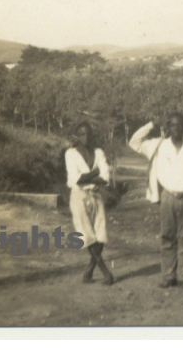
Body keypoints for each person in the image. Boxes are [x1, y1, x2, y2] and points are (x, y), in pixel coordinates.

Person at [129, 113, 183, 289]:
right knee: (167, 238)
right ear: (168, 127)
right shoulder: (158, 145)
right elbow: (134, 142)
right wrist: (151, 124)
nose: (176, 129)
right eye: (173, 125)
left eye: (179, 125)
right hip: (168, 197)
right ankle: (169, 276)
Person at [65, 121, 114, 285]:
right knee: (87, 234)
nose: (86, 137)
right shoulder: (70, 154)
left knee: (100, 234)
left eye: (89, 134)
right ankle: (106, 272)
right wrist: (95, 173)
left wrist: (90, 177)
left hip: (96, 195)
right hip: (79, 196)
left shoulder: (98, 152)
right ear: (77, 136)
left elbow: (106, 178)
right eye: (82, 134)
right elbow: (76, 179)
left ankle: (88, 273)